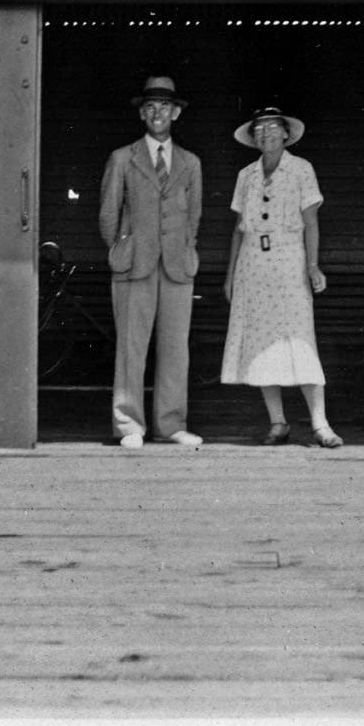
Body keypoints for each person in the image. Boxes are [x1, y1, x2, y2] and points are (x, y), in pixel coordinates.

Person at [221, 106, 344, 448]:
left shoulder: (302, 169)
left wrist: (312, 266)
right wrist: (230, 275)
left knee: (300, 341)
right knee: (260, 345)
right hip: (252, 265)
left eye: (273, 128)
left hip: (289, 261)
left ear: (286, 134)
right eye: (259, 129)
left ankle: (320, 425)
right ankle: (278, 423)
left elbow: (311, 222)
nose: (265, 134)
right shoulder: (246, 174)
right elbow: (237, 229)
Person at [99, 76, 203, 449]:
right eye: (151, 107)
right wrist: (122, 249)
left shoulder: (191, 163)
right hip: (134, 265)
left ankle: (171, 424)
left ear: (175, 113)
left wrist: (181, 248)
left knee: (176, 348)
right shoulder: (123, 158)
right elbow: (109, 215)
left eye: (165, 107)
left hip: (176, 266)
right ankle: (129, 425)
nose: (158, 113)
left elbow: (194, 217)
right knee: (131, 348)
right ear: (143, 114)